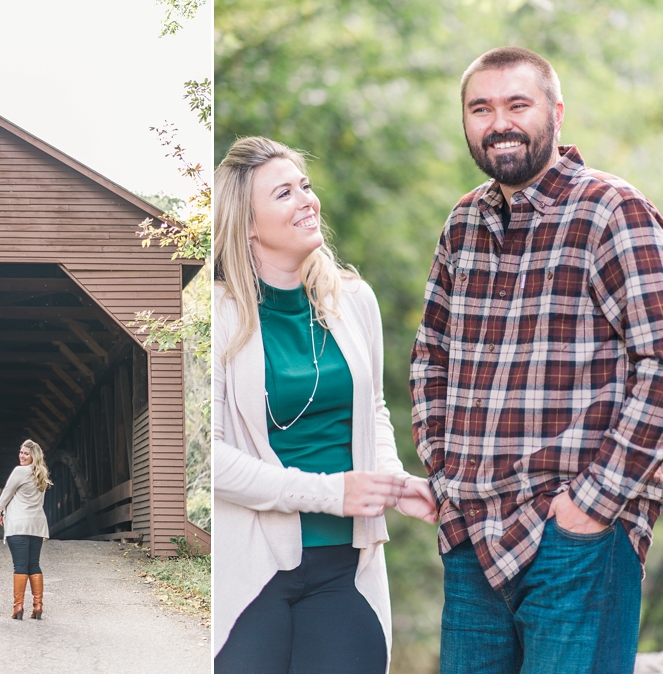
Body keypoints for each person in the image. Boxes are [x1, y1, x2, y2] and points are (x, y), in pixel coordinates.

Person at [410, 46, 663, 674]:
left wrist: (594, 504)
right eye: (481, 108)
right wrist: (445, 478)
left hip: (576, 540)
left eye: (517, 104)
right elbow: (429, 359)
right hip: (471, 537)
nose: (499, 122)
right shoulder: (463, 222)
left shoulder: (612, 210)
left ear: (555, 111)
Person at [213, 136, 438, 674]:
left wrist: (390, 480)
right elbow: (209, 460)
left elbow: (373, 410)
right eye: (284, 193)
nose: (307, 201)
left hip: (347, 566)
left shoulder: (354, 300)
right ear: (246, 224)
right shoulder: (218, 315)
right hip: (251, 569)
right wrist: (328, 492)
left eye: (306, 187)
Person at [0, 439, 52, 620]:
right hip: (37, 526)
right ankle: (38, 605)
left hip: (18, 526)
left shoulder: (20, 471)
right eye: (21, 452)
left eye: (26, 453)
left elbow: (6, 494)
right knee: (34, 564)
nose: (22, 456)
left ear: (34, 456)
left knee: (20, 566)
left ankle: (18, 607)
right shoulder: (41, 474)